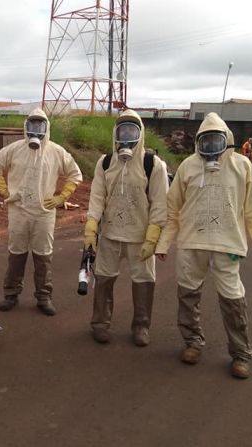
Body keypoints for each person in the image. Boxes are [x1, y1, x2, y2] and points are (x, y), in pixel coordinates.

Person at [155, 112, 252, 380]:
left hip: (227, 243)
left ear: (227, 141)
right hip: (191, 243)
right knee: (187, 295)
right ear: (198, 141)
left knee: (233, 299)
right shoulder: (188, 166)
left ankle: (241, 353)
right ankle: (192, 342)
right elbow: (172, 210)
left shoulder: (241, 166)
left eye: (215, 141)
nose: (210, 148)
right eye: (205, 141)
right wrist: (163, 243)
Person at [83, 109, 169, 345]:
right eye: (123, 131)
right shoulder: (106, 162)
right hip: (110, 234)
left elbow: (161, 203)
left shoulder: (153, 164)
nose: (127, 136)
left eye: (132, 131)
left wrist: (153, 236)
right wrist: (91, 225)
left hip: (140, 236)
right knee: (103, 277)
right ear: (116, 134)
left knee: (143, 279)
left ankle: (141, 326)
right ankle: (100, 323)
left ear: (140, 135)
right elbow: (97, 197)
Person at [0, 108, 82, 316]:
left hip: (44, 213)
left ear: (47, 128)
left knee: (43, 256)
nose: (36, 130)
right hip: (18, 210)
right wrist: (5, 191)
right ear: (25, 126)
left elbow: (75, 174)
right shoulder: (14, 149)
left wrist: (61, 197)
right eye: (32, 125)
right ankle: (11, 294)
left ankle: (43, 296)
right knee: (16, 254)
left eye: (40, 126)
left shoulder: (56, 152)